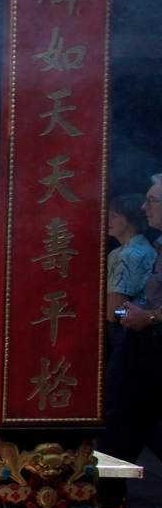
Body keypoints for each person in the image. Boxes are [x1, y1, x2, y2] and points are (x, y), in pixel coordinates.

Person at [103, 176, 162, 463]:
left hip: (139, 340)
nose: (145, 206)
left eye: (152, 200)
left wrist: (146, 313)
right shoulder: (130, 250)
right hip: (141, 339)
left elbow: (113, 310)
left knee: (126, 417)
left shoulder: (134, 253)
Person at [106, 194, 156, 322]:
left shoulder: (131, 254)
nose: (108, 220)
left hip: (129, 332)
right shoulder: (117, 252)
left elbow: (114, 313)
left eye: (114, 216)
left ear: (133, 220)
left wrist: (143, 313)